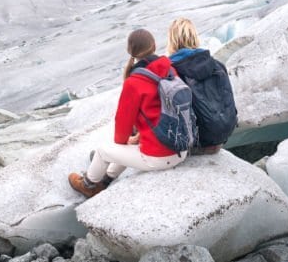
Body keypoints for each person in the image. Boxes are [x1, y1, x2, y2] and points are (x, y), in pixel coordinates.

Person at [68, 28, 187, 198]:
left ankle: (89, 185)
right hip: (180, 149)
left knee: (103, 151)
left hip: (159, 157)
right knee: (130, 144)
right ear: (154, 45)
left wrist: (125, 141)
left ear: (130, 52)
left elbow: (122, 128)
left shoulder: (134, 82)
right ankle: (106, 180)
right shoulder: (170, 70)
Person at [166, 17, 237, 154]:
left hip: (197, 142)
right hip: (222, 136)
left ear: (172, 41)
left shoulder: (172, 71)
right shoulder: (216, 65)